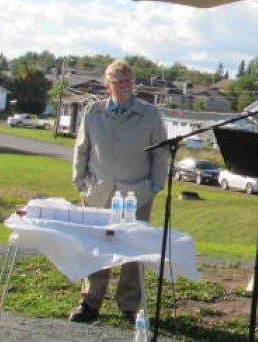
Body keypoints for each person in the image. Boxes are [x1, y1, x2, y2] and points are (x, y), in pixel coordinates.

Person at [69, 59, 169, 324]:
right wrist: (80, 182)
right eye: (119, 82)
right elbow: (81, 149)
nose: (125, 87)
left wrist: (155, 187)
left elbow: (161, 153)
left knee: (132, 249)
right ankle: (90, 302)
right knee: (96, 247)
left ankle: (129, 304)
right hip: (98, 193)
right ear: (108, 85)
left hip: (136, 193)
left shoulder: (149, 114)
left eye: (128, 82)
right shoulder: (93, 112)